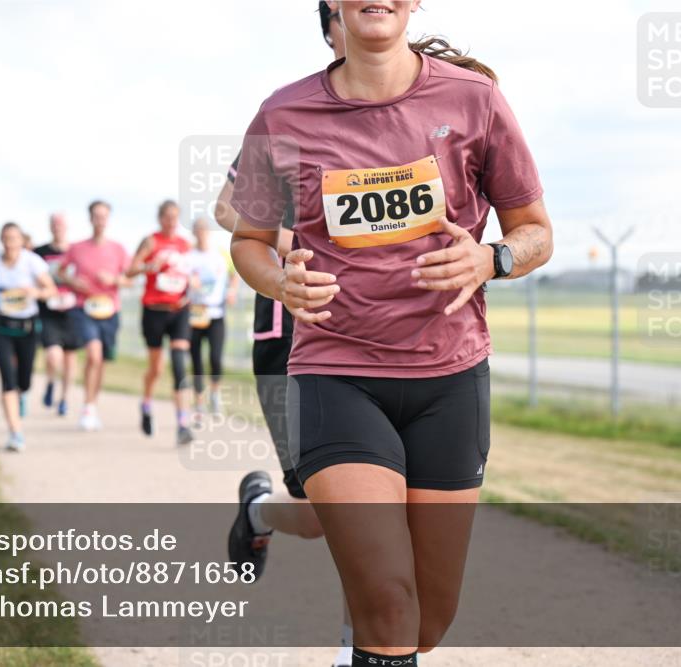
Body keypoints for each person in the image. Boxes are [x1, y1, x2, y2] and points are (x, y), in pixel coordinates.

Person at [229, 2, 553, 665]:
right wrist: (280, 283)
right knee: (385, 600)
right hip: (336, 373)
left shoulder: (475, 99)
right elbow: (248, 240)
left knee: (425, 623)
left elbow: (536, 233)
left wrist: (492, 258)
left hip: (450, 378)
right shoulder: (283, 114)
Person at [220, 5, 354, 665]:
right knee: (325, 514)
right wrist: (292, 233)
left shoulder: (414, 113)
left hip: (385, 338)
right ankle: (260, 511)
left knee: (384, 503)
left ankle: (363, 648)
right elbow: (228, 208)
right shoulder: (291, 116)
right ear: (331, 31)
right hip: (293, 337)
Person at [0, 222, 57, 451]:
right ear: (1, 240)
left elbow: (51, 290)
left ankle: (23, 393)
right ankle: (15, 432)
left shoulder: (32, 262)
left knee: (24, 380)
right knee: (8, 379)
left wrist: (36, 292)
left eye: (14, 238)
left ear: (21, 240)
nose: (10, 243)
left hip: (26, 327)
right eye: (6, 238)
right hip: (1, 327)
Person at [58, 201, 131, 432]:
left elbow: (130, 279)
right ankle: (87, 409)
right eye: (96, 216)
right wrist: (73, 281)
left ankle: (91, 405)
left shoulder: (118, 249)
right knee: (93, 354)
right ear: (90, 219)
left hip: (110, 310)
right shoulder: (76, 247)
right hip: (84, 308)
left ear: (108, 220)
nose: (100, 220)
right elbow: (60, 272)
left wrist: (114, 280)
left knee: (101, 362)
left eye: (104, 216)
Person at [126, 200, 194, 445]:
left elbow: (190, 272)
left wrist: (192, 285)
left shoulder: (185, 244)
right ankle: (146, 404)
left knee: (179, 364)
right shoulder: (151, 241)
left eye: (175, 217)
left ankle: (182, 423)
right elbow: (130, 271)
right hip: (154, 311)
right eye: (168, 217)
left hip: (179, 310)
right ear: (160, 218)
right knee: (156, 369)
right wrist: (147, 267)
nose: (172, 221)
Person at [187, 217, 239, 415]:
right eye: (198, 230)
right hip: (194, 314)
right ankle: (199, 400)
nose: (201, 234)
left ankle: (215, 395)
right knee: (196, 359)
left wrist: (232, 291)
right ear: (194, 233)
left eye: (204, 230)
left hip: (216, 313)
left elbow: (235, 273)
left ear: (208, 232)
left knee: (215, 357)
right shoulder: (188, 256)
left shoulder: (220, 253)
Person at [35, 213, 80, 417]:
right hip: (49, 311)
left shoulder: (76, 251)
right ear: (50, 227)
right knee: (53, 355)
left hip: (72, 311)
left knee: (70, 358)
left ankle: (64, 398)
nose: (58, 227)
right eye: (54, 224)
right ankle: (51, 382)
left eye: (61, 224)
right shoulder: (40, 252)